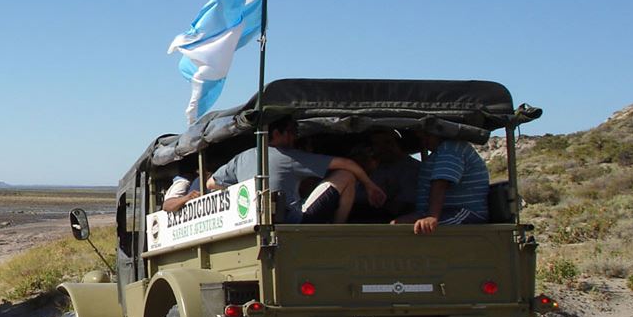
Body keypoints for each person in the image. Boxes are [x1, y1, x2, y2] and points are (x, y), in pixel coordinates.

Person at [207, 116, 386, 224]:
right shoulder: (290, 156)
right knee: (346, 176)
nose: (295, 137)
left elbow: (211, 183)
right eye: (292, 131)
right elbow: (346, 164)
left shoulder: (242, 158)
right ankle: (338, 229)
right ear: (276, 133)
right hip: (292, 219)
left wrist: (246, 193)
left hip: (253, 221)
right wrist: (370, 186)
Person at [394, 132, 489, 234]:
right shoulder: (438, 153)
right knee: (396, 225)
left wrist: (432, 216)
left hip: (464, 213)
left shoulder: (450, 148)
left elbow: (441, 183)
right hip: (444, 212)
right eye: (421, 138)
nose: (424, 141)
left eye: (428, 135)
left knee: (414, 230)